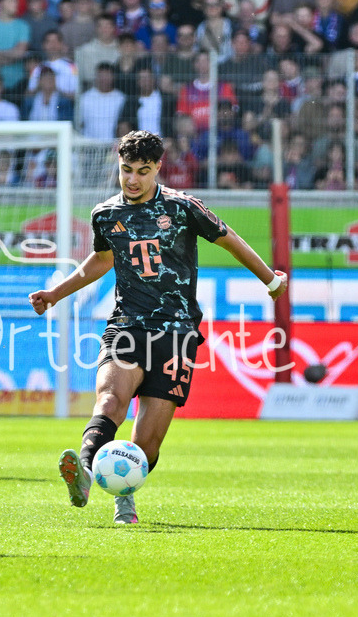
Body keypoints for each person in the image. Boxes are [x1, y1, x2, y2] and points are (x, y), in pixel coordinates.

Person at [27, 130, 287, 524]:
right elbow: (99, 261)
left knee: (148, 442)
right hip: (126, 325)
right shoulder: (106, 214)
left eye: (142, 172)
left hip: (177, 333)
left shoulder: (183, 208)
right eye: (126, 170)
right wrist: (56, 293)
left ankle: (123, 497)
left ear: (158, 169)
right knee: (110, 401)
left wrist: (269, 279)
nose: (132, 179)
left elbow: (228, 239)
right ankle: (82, 470)